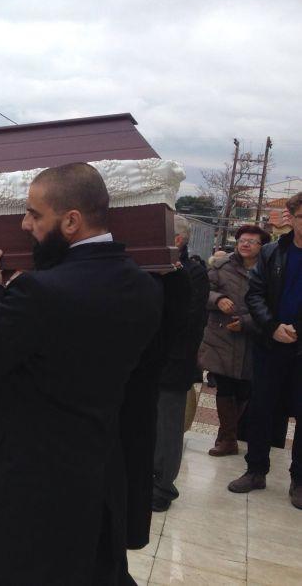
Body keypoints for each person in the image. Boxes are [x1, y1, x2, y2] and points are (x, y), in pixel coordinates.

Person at [0, 162, 162, 585]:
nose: (24, 224)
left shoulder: (40, 291)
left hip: (30, 494)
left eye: (34, 214)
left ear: (71, 221)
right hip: (98, 487)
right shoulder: (146, 288)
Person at [229, 193, 302, 510]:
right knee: (261, 409)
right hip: (271, 344)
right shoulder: (273, 252)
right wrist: (272, 326)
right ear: (292, 218)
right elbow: (255, 294)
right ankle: (256, 470)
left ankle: (299, 480)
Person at [152, 215, 209, 512]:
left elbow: (186, 320)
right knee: (149, 422)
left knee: (168, 426)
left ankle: (163, 485)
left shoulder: (193, 272)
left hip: (174, 362)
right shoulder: (151, 268)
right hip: (149, 360)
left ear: (176, 240)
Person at [199, 225, 268, 457]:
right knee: (225, 386)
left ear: (262, 246)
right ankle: (228, 439)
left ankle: (226, 434)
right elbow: (203, 291)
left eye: (252, 241)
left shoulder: (269, 270)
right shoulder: (222, 266)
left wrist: (247, 322)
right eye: (242, 240)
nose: (245, 244)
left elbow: (271, 305)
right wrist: (218, 300)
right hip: (222, 336)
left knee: (244, 389)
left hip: (251, 337)